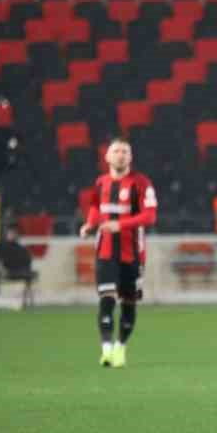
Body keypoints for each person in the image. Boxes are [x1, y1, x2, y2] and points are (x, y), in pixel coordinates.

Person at [80, 138, 158, 368]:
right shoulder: (101, 183)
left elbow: (150, 216)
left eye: (125, 151)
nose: (120, 155)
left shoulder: (141, 183)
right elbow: (95, 207)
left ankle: (120, 347)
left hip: (133, 251)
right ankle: (105, 349)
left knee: (128, 302)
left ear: (131, 158)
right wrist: (89, 224)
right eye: (116, 151)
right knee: (106, 297)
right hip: (105, 249)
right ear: (107, 157)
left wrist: (120, 225)